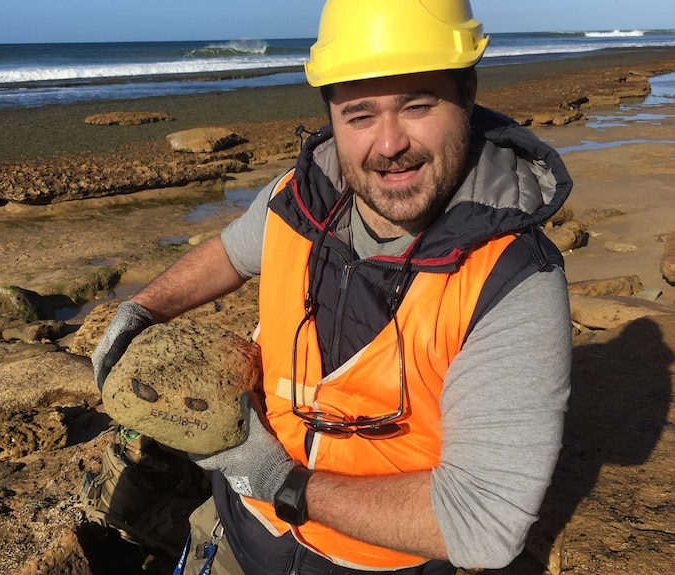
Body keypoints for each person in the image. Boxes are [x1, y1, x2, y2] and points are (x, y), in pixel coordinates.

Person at [92, 0, 572, 573]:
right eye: (360, 115)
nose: (389, 144)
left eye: (418, 105)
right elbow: (229, 253)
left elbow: (481, 524)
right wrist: (141, 309)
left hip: (377, 563)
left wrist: (281, 482)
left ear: (468, 93)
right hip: (239, 534)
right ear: (331, 113)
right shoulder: (300, 198)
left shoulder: (513, 281)